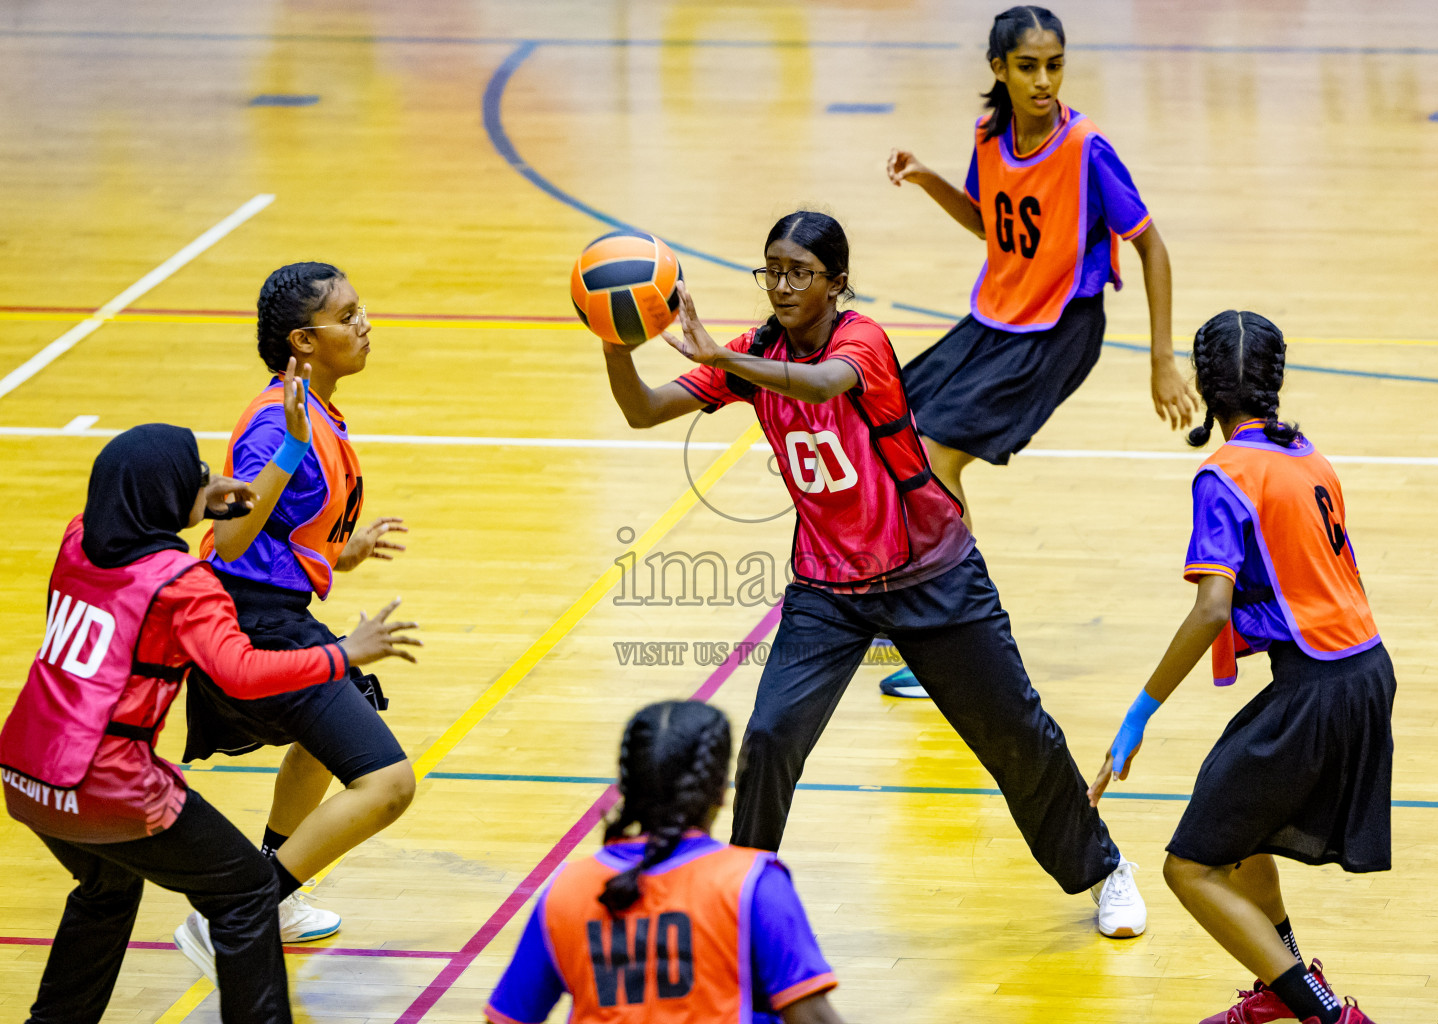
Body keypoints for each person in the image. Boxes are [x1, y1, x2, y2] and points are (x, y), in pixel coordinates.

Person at [599, 211, 1146, 938]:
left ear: (838, 283)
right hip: (828, 590)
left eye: (801, 271)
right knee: (769, 736)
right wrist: (612, 339)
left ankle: (1106, 869)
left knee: (1016, 736)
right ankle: (744, 895)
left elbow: (823, 386)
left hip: (933, 572)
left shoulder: (862, 343)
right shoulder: (755, 350)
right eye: (773, 270)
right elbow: (643, 410)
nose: (784, 285)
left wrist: (727, 362)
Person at [0, 424, 418, 1024]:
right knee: (249, 893)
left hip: (24, 770)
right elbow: (242, 671)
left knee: (106, 892)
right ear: (169, 496)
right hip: (104, 779)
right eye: (195, 473)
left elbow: (180, 505)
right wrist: (344, 653)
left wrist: (253, 488)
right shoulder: (182, 585)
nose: (209, 477)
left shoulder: (79, 538)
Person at [878, 5, 1198, 698]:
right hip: (995, 317)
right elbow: (992, 226)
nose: (1045, 80)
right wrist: (932, 179)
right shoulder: (991, 135)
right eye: (1029, 67)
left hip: (1060, 329)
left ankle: (955, 641)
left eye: (1055, 65)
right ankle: (925, 593)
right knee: (889, 431)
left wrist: (1162, 359)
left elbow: (1152, 246)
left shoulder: (1087, 148)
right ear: (1000, 69)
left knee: (935, 460)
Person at [1089, 311, 1392, 1024]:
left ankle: (1322, 1012)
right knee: (1239, 834)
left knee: (1188, 867)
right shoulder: (1308, 456)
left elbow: (1211, 610)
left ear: (1203, 385)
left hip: (1316, 688)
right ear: (1275, 383)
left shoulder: (1225, 474)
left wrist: (1138, 715)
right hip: (1363, 672)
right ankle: (1280, 992)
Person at [179, 262, 414, 952]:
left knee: (327, 742)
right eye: (345, 317)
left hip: (273, 607)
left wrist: (342, 551)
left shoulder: (314, 407)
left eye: (358, 308)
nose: (363, 323)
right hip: (246, 622)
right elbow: (227, 535)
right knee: (388, 783)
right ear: (302, 341)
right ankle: (239, 909)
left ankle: (266, 897)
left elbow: (278, 532)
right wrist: (288, 445)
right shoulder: (276, 423)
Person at [485, 701, 844, 1024]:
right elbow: (811, 1016)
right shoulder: (753, 884)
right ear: (719, 791)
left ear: (624, 787)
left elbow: (508, 1017)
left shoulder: (566, 889)